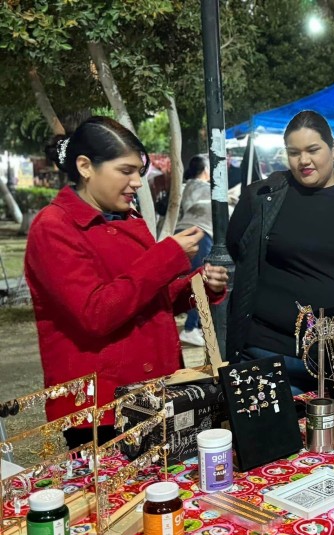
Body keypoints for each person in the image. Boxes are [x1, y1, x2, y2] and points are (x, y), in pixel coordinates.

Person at [25, 116, 228, 449]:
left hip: (154, 390)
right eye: (125, 171)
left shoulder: (127, 217)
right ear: (85, 166)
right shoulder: (53, 227)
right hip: (102, 407)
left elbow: (150, 297)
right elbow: (96, 313)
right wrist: (167, 255)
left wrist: (201, 284)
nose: (136, 182)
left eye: (139, 172)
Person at [226, 110, 334, 395]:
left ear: (333, 149)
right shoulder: (260, 197)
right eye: (294, 152)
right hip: (272, 352)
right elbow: (238, 247)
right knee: (275, 440)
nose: (303, 160)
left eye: (313, 150)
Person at [175, 155, 214, 347]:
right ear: (206, 169)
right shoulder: (201, 186)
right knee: (198, 281)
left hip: (188, 232)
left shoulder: (189, 186)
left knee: (194, 280)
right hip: (200, 233)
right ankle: (190, 328)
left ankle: (195, 326)